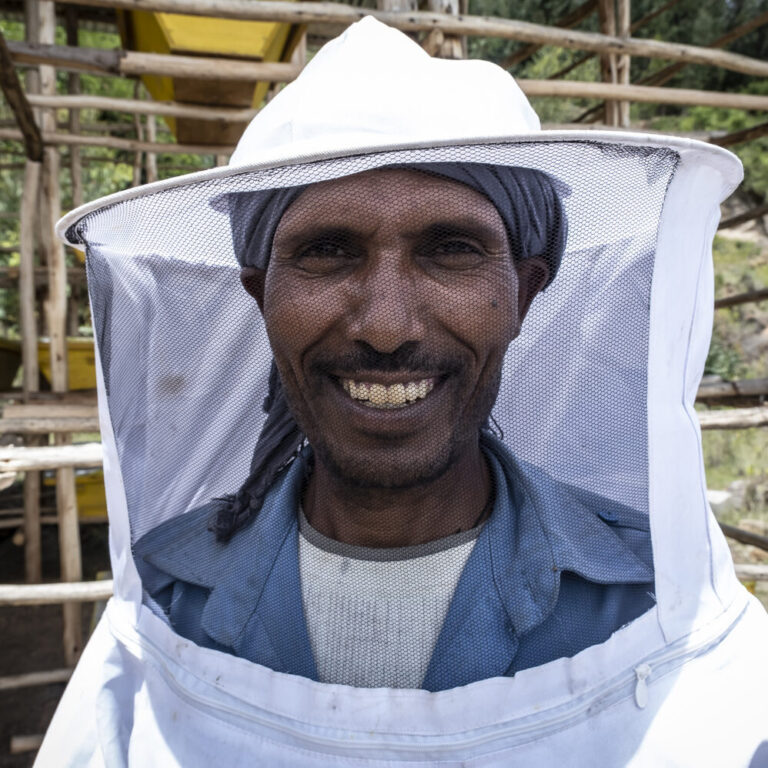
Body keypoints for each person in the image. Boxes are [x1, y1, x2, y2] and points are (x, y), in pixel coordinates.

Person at [133, 161, 654, 691]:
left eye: (452, 249)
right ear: (262, 296)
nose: (386, 328)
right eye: (327, 251)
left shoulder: (659, 594)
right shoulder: (161, 593)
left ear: (522, 293)